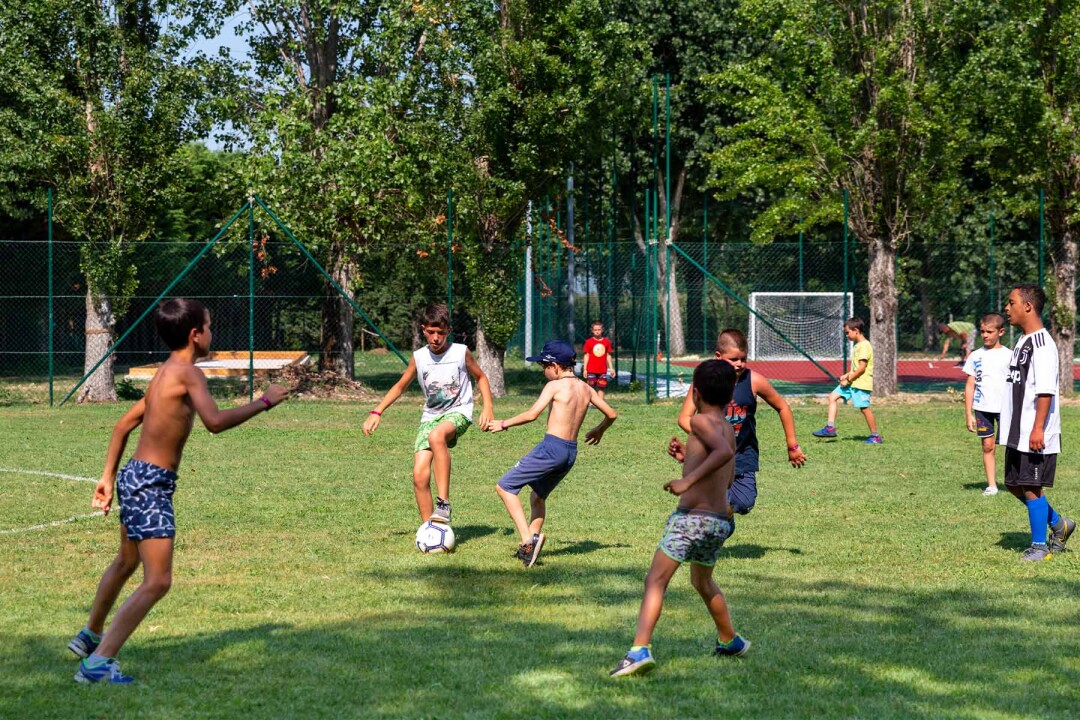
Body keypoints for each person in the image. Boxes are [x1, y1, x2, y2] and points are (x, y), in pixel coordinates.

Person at [68, 299, 289, 684]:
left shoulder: (163, 373)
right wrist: (264, 402)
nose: (212, 333)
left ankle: (91, 634)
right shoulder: (188, 374)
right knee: (158, 581)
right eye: (209, 326)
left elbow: (122, 426)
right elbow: (214, 422)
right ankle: (98, 664)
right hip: (150, 484)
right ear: (195, 334)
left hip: (135, 476)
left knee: (126, 563)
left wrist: (107, 478)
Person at [610, 360, 748, 677]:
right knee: (702, 581)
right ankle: (729, 639)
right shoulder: (727, 428)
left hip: (691, 520)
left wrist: (686, 481)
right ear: (730, 396)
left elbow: (723, 455)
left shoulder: (699, 421)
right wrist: (688, 458)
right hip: (717, 522)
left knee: (655, 580)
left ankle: (639, 650)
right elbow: (725, 475)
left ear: (696, 393)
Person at [488, 339, 617, 567]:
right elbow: (612, 414)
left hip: (551, 448)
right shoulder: (586, 388)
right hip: (569, 453)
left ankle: (527, 541)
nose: (543, 371)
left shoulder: (554, 386)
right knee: (537, 496)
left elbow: (532, 415)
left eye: (544, 366)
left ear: (555, 366)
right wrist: (600, 429)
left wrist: (503, 423)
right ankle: (530, 549)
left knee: (505, 487)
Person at [363, 303, 493, 524]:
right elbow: (400, 386)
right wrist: (377, 411)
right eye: (431, 332)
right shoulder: (419, 357)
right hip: (431, 416)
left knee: (436, 436)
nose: (435, 338)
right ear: (423, 329)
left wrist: (487, 407)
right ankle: (429, 529)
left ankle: (443, 504)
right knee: (419, 476)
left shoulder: (460, 352)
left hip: (458, 411)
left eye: (440, 333)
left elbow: (481, 377)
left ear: (448, 331)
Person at [675, 328, 806, 516]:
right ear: (718, 356)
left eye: (743, 359)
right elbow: (684, 418)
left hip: (743, 453)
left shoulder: (754, 381)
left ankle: (720, 510)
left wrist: (792, 446)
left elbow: (783, 407)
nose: (739, 364)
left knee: (744, 503)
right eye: (734, 359)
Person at [998, 284, 1074, 561]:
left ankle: (1039, 547)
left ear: (1028, 306)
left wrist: (1038, 428)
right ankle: (1059, 524)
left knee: (1031, 487)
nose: (1007, 308)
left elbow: (1045, 391)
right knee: (1013, 484)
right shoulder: (1023, 340)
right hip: (1017, 430)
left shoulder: (1043, 345)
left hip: (1034, 430)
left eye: (1012, 302)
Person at [962, 312, 1012, 496]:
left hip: (1006, 409)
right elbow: (970, 385)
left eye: (989, 332)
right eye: (982, 331)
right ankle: (992, 486)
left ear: (1001, 332)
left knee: (1013, 447)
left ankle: (1016, 482)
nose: (985, 335)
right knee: (987, 446)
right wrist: (969, 414)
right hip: (982, 409)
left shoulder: (1010, 355)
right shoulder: (975, 356)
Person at [812, 317, 882, 444]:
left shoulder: (864, 346)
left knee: (864, 409)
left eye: (847, 332)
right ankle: (830, 428)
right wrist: (847, 375)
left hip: (860, 384)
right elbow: (856, 368)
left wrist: (848, 379)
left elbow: (862, 368)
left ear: (856, 330)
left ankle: (875, 436)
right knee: (832, 397)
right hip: (853, 381)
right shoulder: (858, 345)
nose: (846, 335)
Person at [582, 321, 616, 400]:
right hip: (591, 369)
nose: (597, 331)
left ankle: (600, 403)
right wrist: (585, 369)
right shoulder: (588, 342)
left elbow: (608, 355)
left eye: (599, 330)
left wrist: (611, 368)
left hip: (602, 370)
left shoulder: (606, 342)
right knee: (590, 387)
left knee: (601, 387)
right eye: (595, 330)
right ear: (592, 331)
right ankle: (590, 403)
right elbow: (586, 355)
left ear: (602, 330)